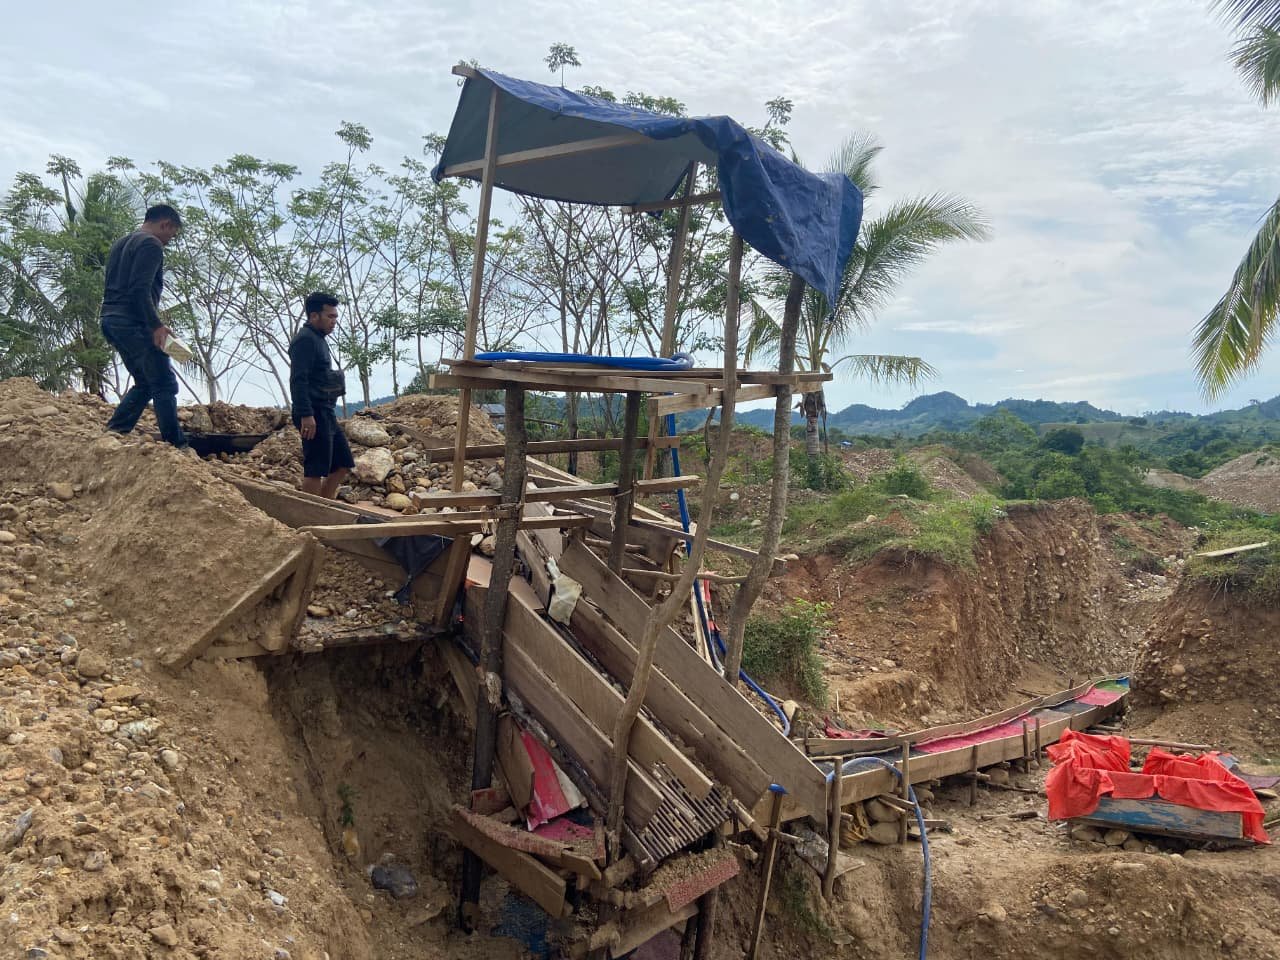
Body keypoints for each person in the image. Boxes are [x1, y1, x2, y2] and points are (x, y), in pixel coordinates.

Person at [99, 204, 187, 447]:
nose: (170, 239)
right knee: (164, 382)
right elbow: (140, 290)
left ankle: (115, 432)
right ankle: (177, 446)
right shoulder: (151, 244)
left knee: (146, 382)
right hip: (133, 323)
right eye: (172, 233)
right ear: (165, 224)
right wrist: (156, 326)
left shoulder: (122, 243)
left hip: (110, 320)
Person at [289, 292, 353, 498]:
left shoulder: (319, 340)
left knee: (343, 463)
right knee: (315, 468)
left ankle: (323, 507)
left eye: (335, 317)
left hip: (325, 411)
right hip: (313, 412)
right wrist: (306, 415)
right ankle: (312, 517)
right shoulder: (305, 341)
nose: (335, 321)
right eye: (330, 316)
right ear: (314, 316)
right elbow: (299, 380)